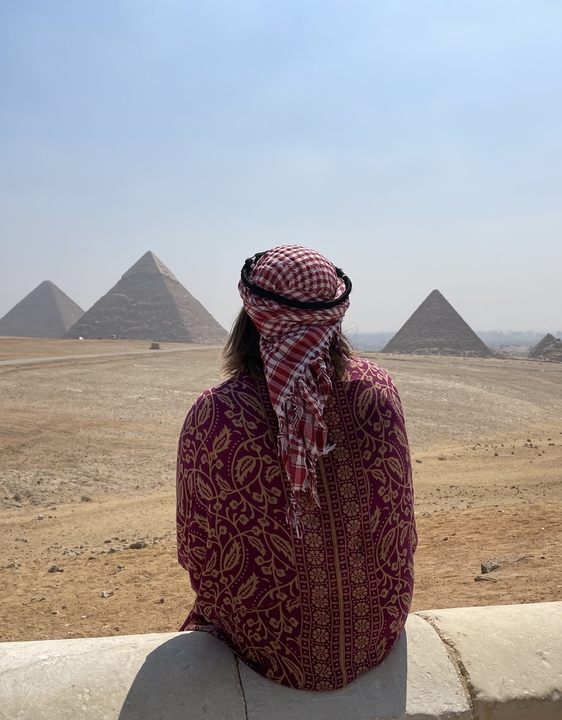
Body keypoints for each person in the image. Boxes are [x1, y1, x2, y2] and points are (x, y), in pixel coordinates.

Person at [176, 245, 417, 691]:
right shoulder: (380, 392)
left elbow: (195, 553)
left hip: (265, 646)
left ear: (252, 315)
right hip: (376, 630)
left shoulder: (215, 414)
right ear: (335, 316)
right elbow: (401, 526)